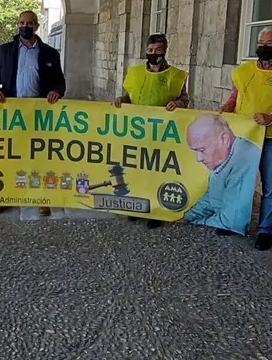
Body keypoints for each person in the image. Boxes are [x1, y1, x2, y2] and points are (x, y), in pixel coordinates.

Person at [218, 26, 272, 250]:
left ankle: (266, 229)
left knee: (270, 185)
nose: (264, 48)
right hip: (243, 135)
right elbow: (236, 96)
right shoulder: (244, 71)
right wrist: (228, 105)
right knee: (238, 179)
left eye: (270, 44)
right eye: (261, 43)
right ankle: (233, 221)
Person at [0, 10, 65, 216]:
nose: (25, 26)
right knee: (9, 155)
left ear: (37, 26)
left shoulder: (49, 53)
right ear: (17, 25)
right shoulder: (5, 51)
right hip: (11, 112)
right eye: (22, 22)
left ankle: (41, 198)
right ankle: (6, 196)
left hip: (39, 114)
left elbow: (59, 80)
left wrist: (56, 91)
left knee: (38, 156)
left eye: (30, 23)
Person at [112, 33, 189, 228]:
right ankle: (137, 206)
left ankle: (156, 210)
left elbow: (185, 100)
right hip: (138, 130)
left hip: (162, 131)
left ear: (165, 51)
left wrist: (177, 103)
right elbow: (129, 97)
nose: (153, 54)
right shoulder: (136, 73)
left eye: (158, 51)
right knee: (137, 168)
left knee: (158, 170)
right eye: (150, 50)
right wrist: (121, 100)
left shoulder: (176, 76)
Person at [183, 115, 261, 237]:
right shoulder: (223, 157)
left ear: (224, 138)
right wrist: (188, 217)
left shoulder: (243, 158)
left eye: (202, 150)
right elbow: (212, 197)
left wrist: (195, 223)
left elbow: (231, 222)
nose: (198, 158)